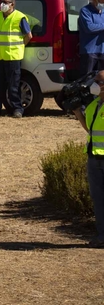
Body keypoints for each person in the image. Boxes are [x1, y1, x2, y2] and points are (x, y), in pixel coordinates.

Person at [73, 70, 104, 248]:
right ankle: (102, 236)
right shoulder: (93, 105)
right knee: (98, 200)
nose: (94, 85)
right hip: (94, 158)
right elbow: (91, 130)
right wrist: (78, 113)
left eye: (98, 82)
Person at [0, 0, 31, 118]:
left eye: (5, 2)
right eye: (1, 1)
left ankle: (17, 109)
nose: (2, 4)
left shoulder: (19, 17)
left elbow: (28, 36)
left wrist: (20, 47)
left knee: (13, 85)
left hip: (13, 57)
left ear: (12, 4)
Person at [78, 0, 104, 79]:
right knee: (86, 80)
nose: (103, 4)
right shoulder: (85, 11)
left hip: (102, 51)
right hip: (90, 53)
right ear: (95, 0)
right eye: (102, 1)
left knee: (101, 82)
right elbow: (90, 27)